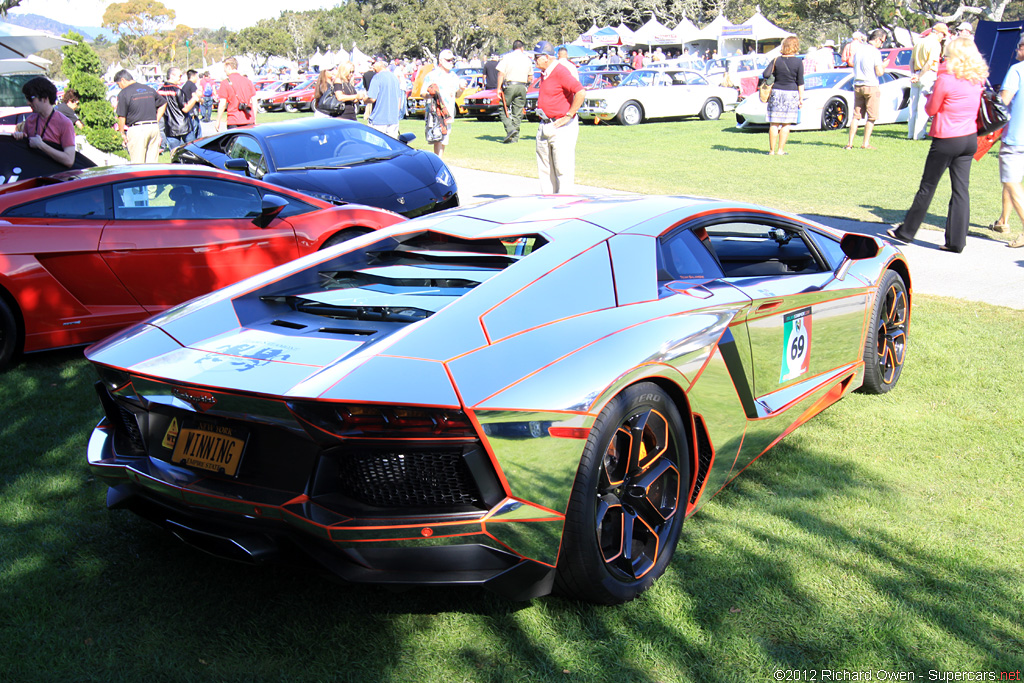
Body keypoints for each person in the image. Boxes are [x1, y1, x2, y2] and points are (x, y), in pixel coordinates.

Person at [887, 36, 988, 253]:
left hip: (946, 138)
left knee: (928, 186)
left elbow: (931, 109)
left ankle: (906, 232)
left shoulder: (946, 80)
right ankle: (956, 241)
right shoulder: (977, 80)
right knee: (961, 190)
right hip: (969, 138)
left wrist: (930, 95)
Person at [533, 40, 585, 194]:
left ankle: (564, 207)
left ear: (547, 57)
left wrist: (569, 115)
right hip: (545, 124)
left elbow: (580, 92)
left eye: (537, 57)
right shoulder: (545, 73)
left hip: (561, 127)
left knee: (563, 169)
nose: (534, 60)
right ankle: (548, 204)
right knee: (545, 170)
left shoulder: (560, 71)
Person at [990, 34, 1024, 248]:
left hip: (1015, 136)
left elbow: (1003, 103)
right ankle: (1003, 220)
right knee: (1012, 181)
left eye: (1019, 46)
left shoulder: (1017, 70)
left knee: (1011, 180)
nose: (1016, 50)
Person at [12, 76, 76, 167]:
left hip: (54, 178)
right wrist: (20, 138)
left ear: (45, 98)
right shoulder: (30, 120)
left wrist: (41, 145)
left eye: (31, 98)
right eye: (26, 98)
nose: (28, 102)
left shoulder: (65, 123)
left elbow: (69, 160)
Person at [845, 29, 886, 150]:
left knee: (856, 116)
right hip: (871, 85)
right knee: (871, 117)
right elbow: (879, 72)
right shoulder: (875, 52)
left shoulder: (859, 50)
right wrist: (884, 66)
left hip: (858, 85)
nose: (882, 44)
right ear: (878, 39)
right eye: (882, 41)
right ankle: (865, 143)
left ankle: (849, 143)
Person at [908, 23, 949, 140]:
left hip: (915, 73)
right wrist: (920, 75)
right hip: (927, 74)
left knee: (913, 106)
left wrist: (914, 74)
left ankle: (910, 133)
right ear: (938, 33)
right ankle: (919, 134)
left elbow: (911, 60)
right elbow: (930, 62)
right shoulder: (935, 44)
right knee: (923, 106)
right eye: (943, 34)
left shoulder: (919, 42)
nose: (943, 37)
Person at [764, 36, 804, 155]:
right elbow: (800, 81)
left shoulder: (777, 60)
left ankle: (771, 150)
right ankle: (780, 150)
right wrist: (801, 98)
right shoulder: (798, 62)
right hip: (791, 93)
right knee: (786, 123)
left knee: (774, 123)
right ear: (795, 47)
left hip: (776, 92)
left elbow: (766, 74)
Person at [114, 69, 165, 163]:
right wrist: (156, 120)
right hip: (153, 128)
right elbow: (163, 103)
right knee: (152, 164)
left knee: (138, 164)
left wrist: (121, 133)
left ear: (123, 80)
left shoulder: (124, 93)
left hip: (138, 129)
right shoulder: (148, 89)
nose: (119, 87)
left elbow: (121, 116)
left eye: (118, 84)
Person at [422, 49, 465, 158]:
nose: (451, 62)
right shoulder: (432, 75)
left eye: (452, 60)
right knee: (437, 138)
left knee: (444, 138)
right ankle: (438, 161)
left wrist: (461, 89)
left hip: (448, 113)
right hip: (436, 113)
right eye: (448, 60)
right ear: (441, 61)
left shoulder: (454, 76)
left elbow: (457, 95)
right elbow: (422, 93)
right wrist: (432, 95)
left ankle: (439, 160)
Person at [496, 40, 534, 144]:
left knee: (502, 107)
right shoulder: (527, 59)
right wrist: (526, 86)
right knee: (517, 112)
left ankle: (510, 129)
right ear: (522, 48)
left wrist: (498, 88)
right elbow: (531, 77)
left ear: (513, 48)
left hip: (510, 85)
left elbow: (501, 73)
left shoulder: (507, 57)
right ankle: (515, 137)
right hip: (522, 86)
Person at [364, 57, 405, 138]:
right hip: (393, 120)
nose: (373, 66)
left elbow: (372, 98)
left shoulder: (377, 77)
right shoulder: (394, 78)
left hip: (378, 120)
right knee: (391, 147)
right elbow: (399, 99)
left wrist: (364, 99)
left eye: (374, 63)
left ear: (381, 64)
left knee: (375, 148)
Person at [214, 57, 257, 132]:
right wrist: (254, 118)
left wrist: (218, 121)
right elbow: (255, 101)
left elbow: (223, 104)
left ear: (229, 67)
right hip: (249, 119)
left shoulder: (225, 83)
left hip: (234, 120)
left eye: (225, 68)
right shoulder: (248, 81)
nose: (224, 71)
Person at [158, 67, 191, 151]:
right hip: (184, 126)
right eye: (179, 76)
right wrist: (195, 98)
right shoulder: (178, 90)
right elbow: (185, 109)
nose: (181, 78)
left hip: (169, 127)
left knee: (174, 153)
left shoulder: (159, 91)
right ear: (172, 76)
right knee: (192, 150)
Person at [180, 69, 202, 142]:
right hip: (192, 112)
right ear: (193, 77)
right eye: (196, 77)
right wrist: (201, 100)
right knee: (196, 134)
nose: (197, 79)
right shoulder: (192, 85)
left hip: (188, 111)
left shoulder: (185, 85)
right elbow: (195, 97)